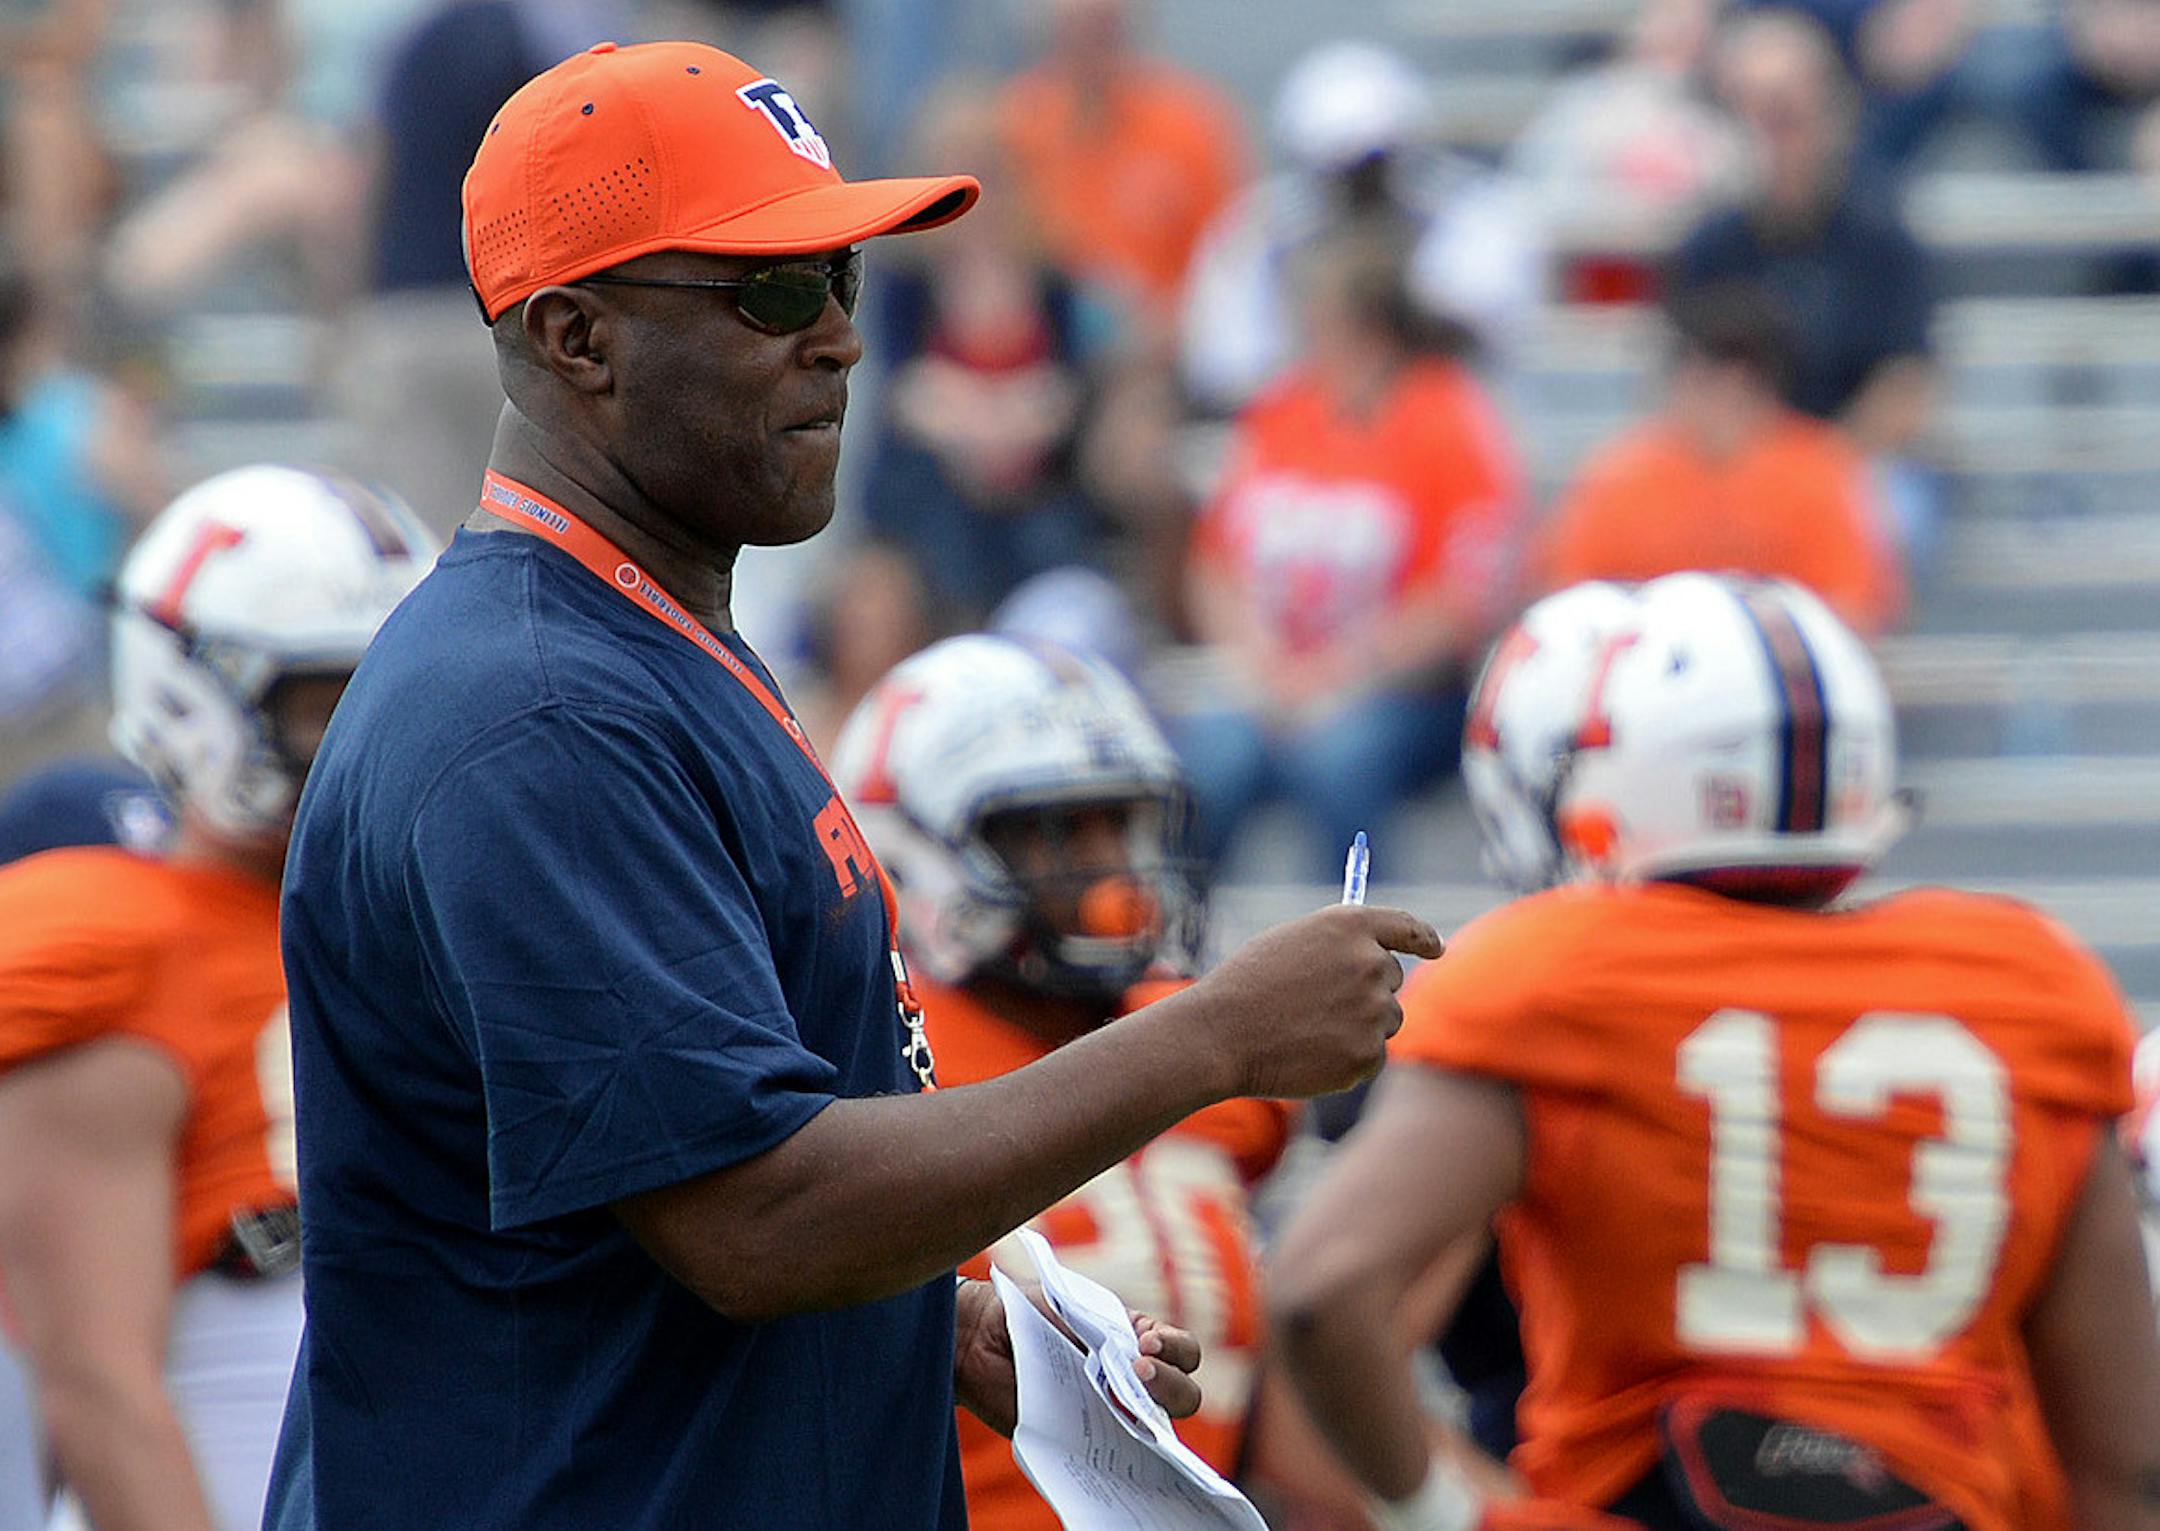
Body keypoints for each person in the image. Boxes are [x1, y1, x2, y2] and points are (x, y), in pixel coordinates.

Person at [265, 40, 1445, 1530]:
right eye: (770, 290)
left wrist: (927, 1325)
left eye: (842, 281)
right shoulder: (537, 709)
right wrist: (1213, 1037)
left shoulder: (642, 634)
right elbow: (756, 1214)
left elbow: (637, 1188)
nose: (837, 338)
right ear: (577, 336)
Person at [1268, 572, 2160, 1530]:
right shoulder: (2027, 982)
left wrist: (1449, 1515)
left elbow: (1321, 1306)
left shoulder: (1542, 978)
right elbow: (2126, 1461)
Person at [0, 465, 434, 1531]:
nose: (372, 744)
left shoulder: (431, 925)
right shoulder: (112, 948)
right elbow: (101, 1385)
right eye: (329, 703)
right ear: (193, 690)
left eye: (398, 696)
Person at [831, 632, 1282, 1525]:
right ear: (916, 845)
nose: (1111, 865)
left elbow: (1264, 1387)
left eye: (1120, 822)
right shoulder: (876, 1051)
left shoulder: (1199, 1036)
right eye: (1058, 829)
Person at [1176, 228, 1524, 876]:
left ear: (1370, 329)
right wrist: (1263, 663)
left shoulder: (1449, 419)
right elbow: (1214, 565)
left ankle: (1362, 951)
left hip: (1410, 692)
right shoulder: (1280, 412)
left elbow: (1462, 598)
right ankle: (1184, 953)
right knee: (1210, 760)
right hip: (1277, 681)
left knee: (1338, 758)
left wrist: (1339, 673)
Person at [1671, 9, 1941, 563]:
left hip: (1856, 458)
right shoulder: (1708, 247)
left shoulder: (1881, 235)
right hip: (1733, 457)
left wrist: (1810, 470)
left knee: (1888, 518)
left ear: (1830, 109)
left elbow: (1907, 387)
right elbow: (1687, 385)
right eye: (1753, 109)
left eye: (1788, 111)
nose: (1773, 133)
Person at [1180, 40, 1544, 415]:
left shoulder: (1477, 214)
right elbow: (1228, 372)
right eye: (1340, 169)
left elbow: (1479, 339)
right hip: (1305, 445)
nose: (1360, 184)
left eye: (1374, 164)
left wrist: (1380, 302)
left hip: (1445, 432)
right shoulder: (1257, 231)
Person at [1536, 284, 1905, 635]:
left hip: (1781, 678)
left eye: (1739, 385)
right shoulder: (1620, 475)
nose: (1721, 403)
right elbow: (1568, 603)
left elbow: (1854, 609)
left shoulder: (1819, 470)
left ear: (1767, 388)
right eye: (1706, 380)